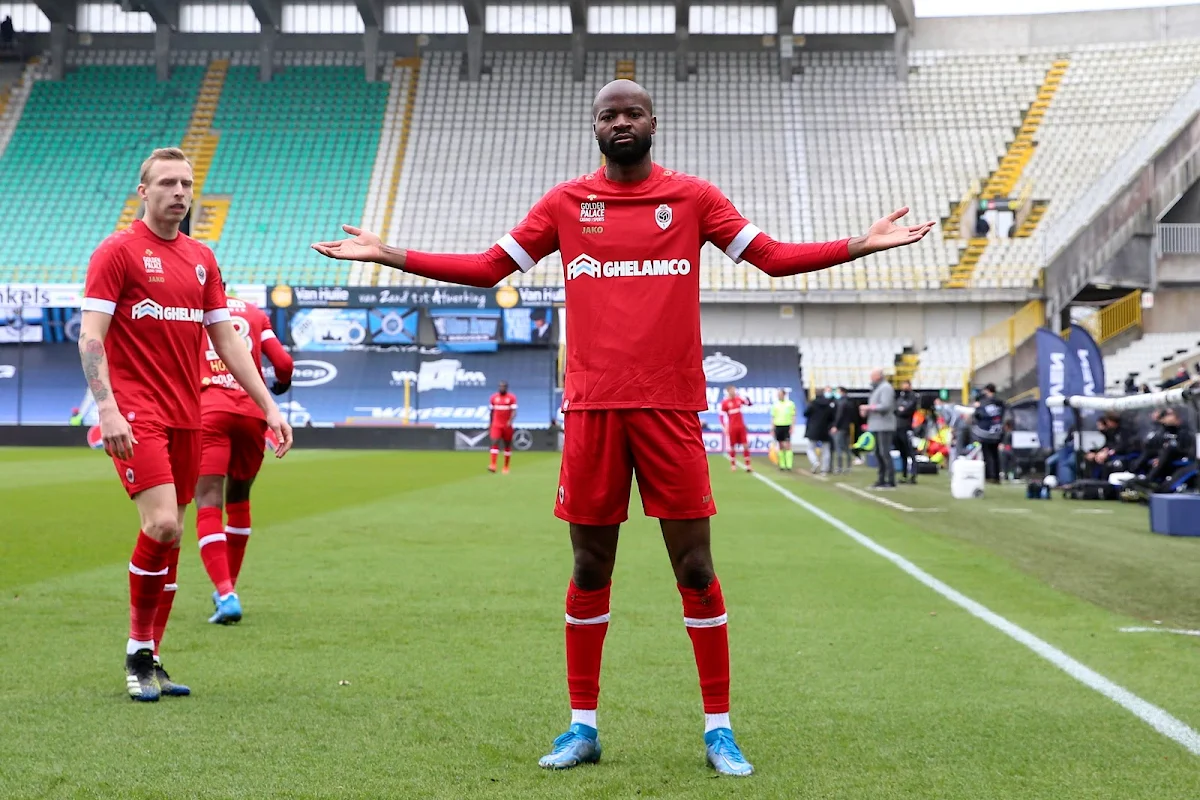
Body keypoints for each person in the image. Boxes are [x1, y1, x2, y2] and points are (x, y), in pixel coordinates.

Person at [312, 79, 932, 776]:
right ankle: (582, 726)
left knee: (695, 568)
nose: (621, 122)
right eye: (608, 114)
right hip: (592, 411)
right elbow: (489, 269)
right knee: (588, 565)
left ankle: (719, 729)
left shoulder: (694, 198)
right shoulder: (566, 204)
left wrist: (861, 244)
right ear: (595, 128)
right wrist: (392, 254)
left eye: (632, 111)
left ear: (653, 121)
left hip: (670, 410)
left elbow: (771, 257)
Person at [80, 147, 292, 702]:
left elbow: (227, 340)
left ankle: (153, 656)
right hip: (136, 413)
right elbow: (90, 337)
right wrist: (107, 408)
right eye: (168, 183)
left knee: (171, 535)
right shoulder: (117, 252)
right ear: (143, 191)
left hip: (188, 416)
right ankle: (136, 653)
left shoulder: (202, 257)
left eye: (187, 184)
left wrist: (268, 406)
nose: (179, 192)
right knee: (164, 527)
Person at [194, 290, 294, 624]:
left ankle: (225, 592)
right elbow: (283, 363)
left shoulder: (193, 310)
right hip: (252, 410)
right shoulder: (253, 312)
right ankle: (229, 589)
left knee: (208, 499)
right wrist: (279, 387)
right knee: (240, 499)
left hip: (209, 408)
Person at [861, 369, 896, 489]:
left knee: (884, 452)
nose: (871, 378)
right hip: (876, 425)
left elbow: (885, 405)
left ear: (878, 377)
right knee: (878, 453)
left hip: (884, 425)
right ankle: (881, 478)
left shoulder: (886, 388)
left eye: (872, 376)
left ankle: (890, 480)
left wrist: (869, 408)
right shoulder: (876, 389)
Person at [719, 384, 752, 472]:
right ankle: (733, 465)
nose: (734, 392)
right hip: (732, 427)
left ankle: (748, 465)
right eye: (732, 390)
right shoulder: (725, 403)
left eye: (734, 390)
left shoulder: (739, 399)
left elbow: (749, 404)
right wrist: (724, 426)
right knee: (732, 446)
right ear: (728, 391)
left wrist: (748, 399)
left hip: (741, 426)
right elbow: (721, 416)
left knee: (745, 445)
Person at [488, 380, 518, 473]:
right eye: (500, 386)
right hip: (496, 425)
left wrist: (510, 421)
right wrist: (490, 423)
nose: (502, 388)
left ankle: (506, 466)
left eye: (503, 386)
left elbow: (514, 411)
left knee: (507, 445)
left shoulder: (511, 398)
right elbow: (491, 412)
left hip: (507, 425)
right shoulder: (494, 398)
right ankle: (493, 465)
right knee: (494, 442)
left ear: (506, 387)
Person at [804, 386, 834, 474]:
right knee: (826, 450)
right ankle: (824, 469)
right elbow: (832, 417)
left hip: (814, 429)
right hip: (825, 429)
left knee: (810, 448)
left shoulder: (813, 404)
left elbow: (805, 413)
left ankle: (815, 461)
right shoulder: (828, 404)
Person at [893, 380, 919, 484]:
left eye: (905, 384)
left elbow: (906, 410)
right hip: (897, 427)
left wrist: (900, 410)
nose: (903, 386)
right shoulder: (901, 396)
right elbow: (895, 409)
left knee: (911, 453)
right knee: (902, 453)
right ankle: (904, 475)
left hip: (907, 428)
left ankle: (913, 475)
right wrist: (899, 409)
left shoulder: (913, 396)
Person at [771, 388, 798, 473]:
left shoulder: (790, 404)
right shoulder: (775, 405)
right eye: (778, 394)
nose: (779, 396)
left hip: (787, 426)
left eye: (780, 394)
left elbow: (793, 416)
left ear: (784, 395)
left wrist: (793, 427)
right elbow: (773, 417)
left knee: (787, 445)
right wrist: (772, 428)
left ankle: (789, 465)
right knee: (781, 445)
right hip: (778, 426)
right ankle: (782, 465)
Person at [830, 387, 853, 474]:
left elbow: (839, 415)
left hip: (840, 428)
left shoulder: (841, 403)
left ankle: (839, 467)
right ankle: (848, 467)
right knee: (847, 448)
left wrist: (835, 426)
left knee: (838, 447)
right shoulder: (849, 402)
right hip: (847, 427)